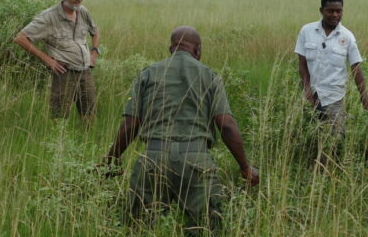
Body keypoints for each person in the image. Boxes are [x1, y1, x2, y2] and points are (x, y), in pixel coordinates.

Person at [101, 26, 260, 235]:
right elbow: (226, 125)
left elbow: (130, 125)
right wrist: (245, 167)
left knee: (139, 227)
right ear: (198, 50)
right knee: (204, 227)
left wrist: (112, 159)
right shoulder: (209, 75)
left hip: (153, 158)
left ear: (171, 49)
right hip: (196, 160)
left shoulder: (148, 74)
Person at [14, 0, 101, 121]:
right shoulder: (48, 16)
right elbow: (20, 38)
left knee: (89, 112)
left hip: (85, 70)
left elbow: (95, 30)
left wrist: (94, 53)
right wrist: (48, 60)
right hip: (64, 72)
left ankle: (87, 139)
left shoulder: (82, 11)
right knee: (59, 116)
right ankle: (59, 142)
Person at [296, 0, 368, 134]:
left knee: (335, 140)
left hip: (334, 98)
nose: (335, 15)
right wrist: (307, 91)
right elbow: (302, 63)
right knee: (310, 136)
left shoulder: (347, 36)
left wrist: (365, 101)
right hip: (311, 96)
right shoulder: (307, 31)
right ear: (321, 10)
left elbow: (356, 69)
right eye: (330, 11)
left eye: (339, 11)